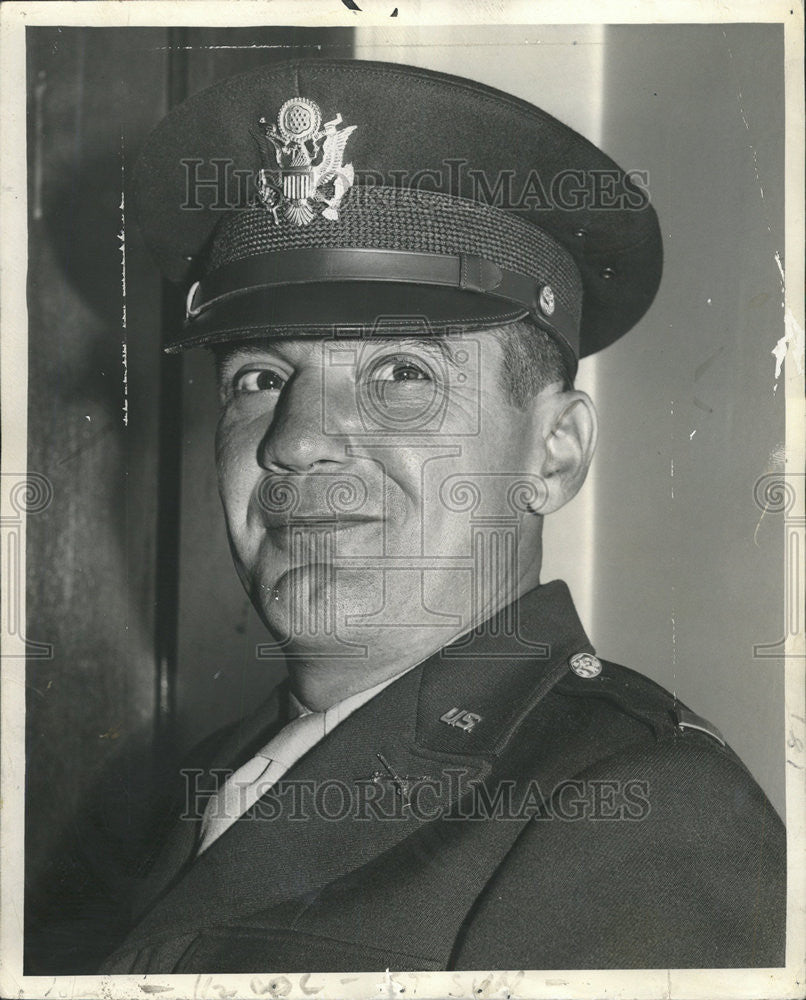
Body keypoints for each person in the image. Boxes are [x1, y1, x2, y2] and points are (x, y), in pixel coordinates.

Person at [86, 57, 784, 971]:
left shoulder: (640, 809)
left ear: (554, 452)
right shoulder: (208, 777)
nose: (295, 442)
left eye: (401, 376)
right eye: (259, 380)